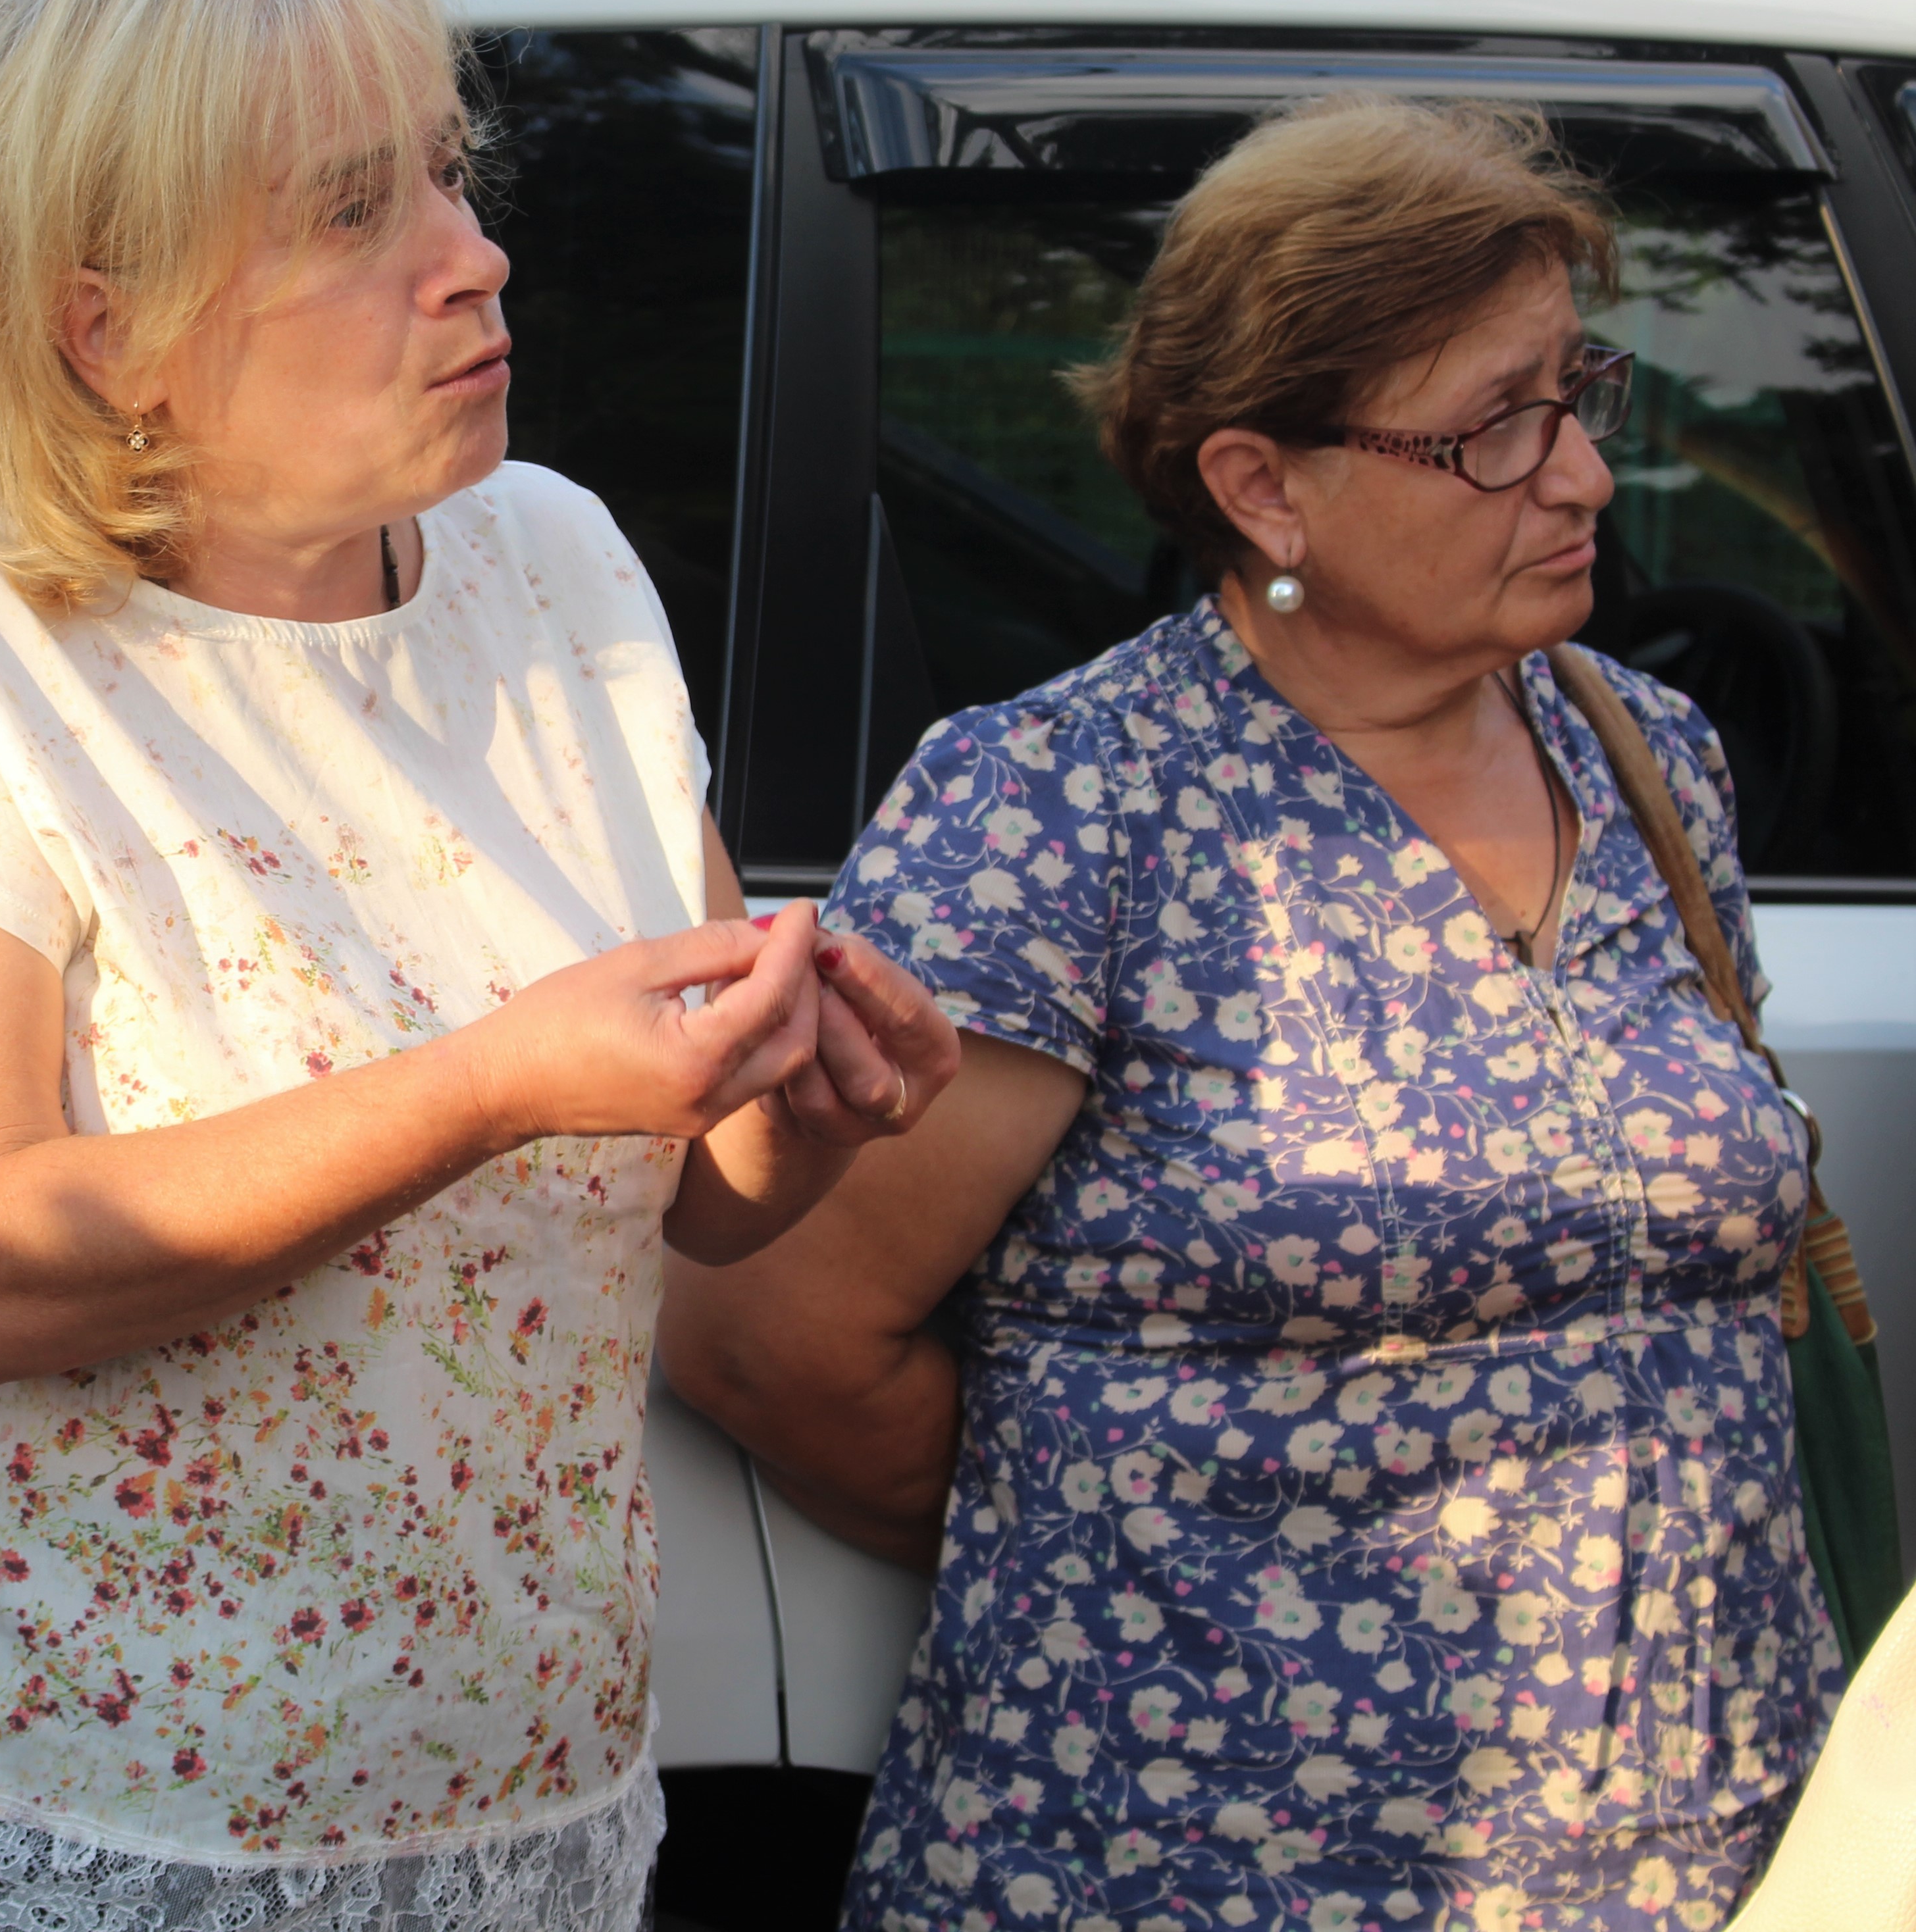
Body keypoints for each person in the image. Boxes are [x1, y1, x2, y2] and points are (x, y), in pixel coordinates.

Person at [0, 0, 958, 1932]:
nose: (472, 257)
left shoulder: (548, 559)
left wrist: (801, 1106)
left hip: (520, 1801)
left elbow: (681, 1195)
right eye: (347, 211)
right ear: (105, 326)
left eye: (449, 175)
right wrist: (489, 1085)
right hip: (93, 1818)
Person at [661, 95, 1832, 1931]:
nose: (1584, 478)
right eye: (1495, 427)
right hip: (1209, 1860)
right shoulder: (1062, 806)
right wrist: (1161, 1555)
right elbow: (767, 1339)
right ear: (1264, 486)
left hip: (1705, 1842)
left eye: (1576, 392)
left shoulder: (1647, 753)